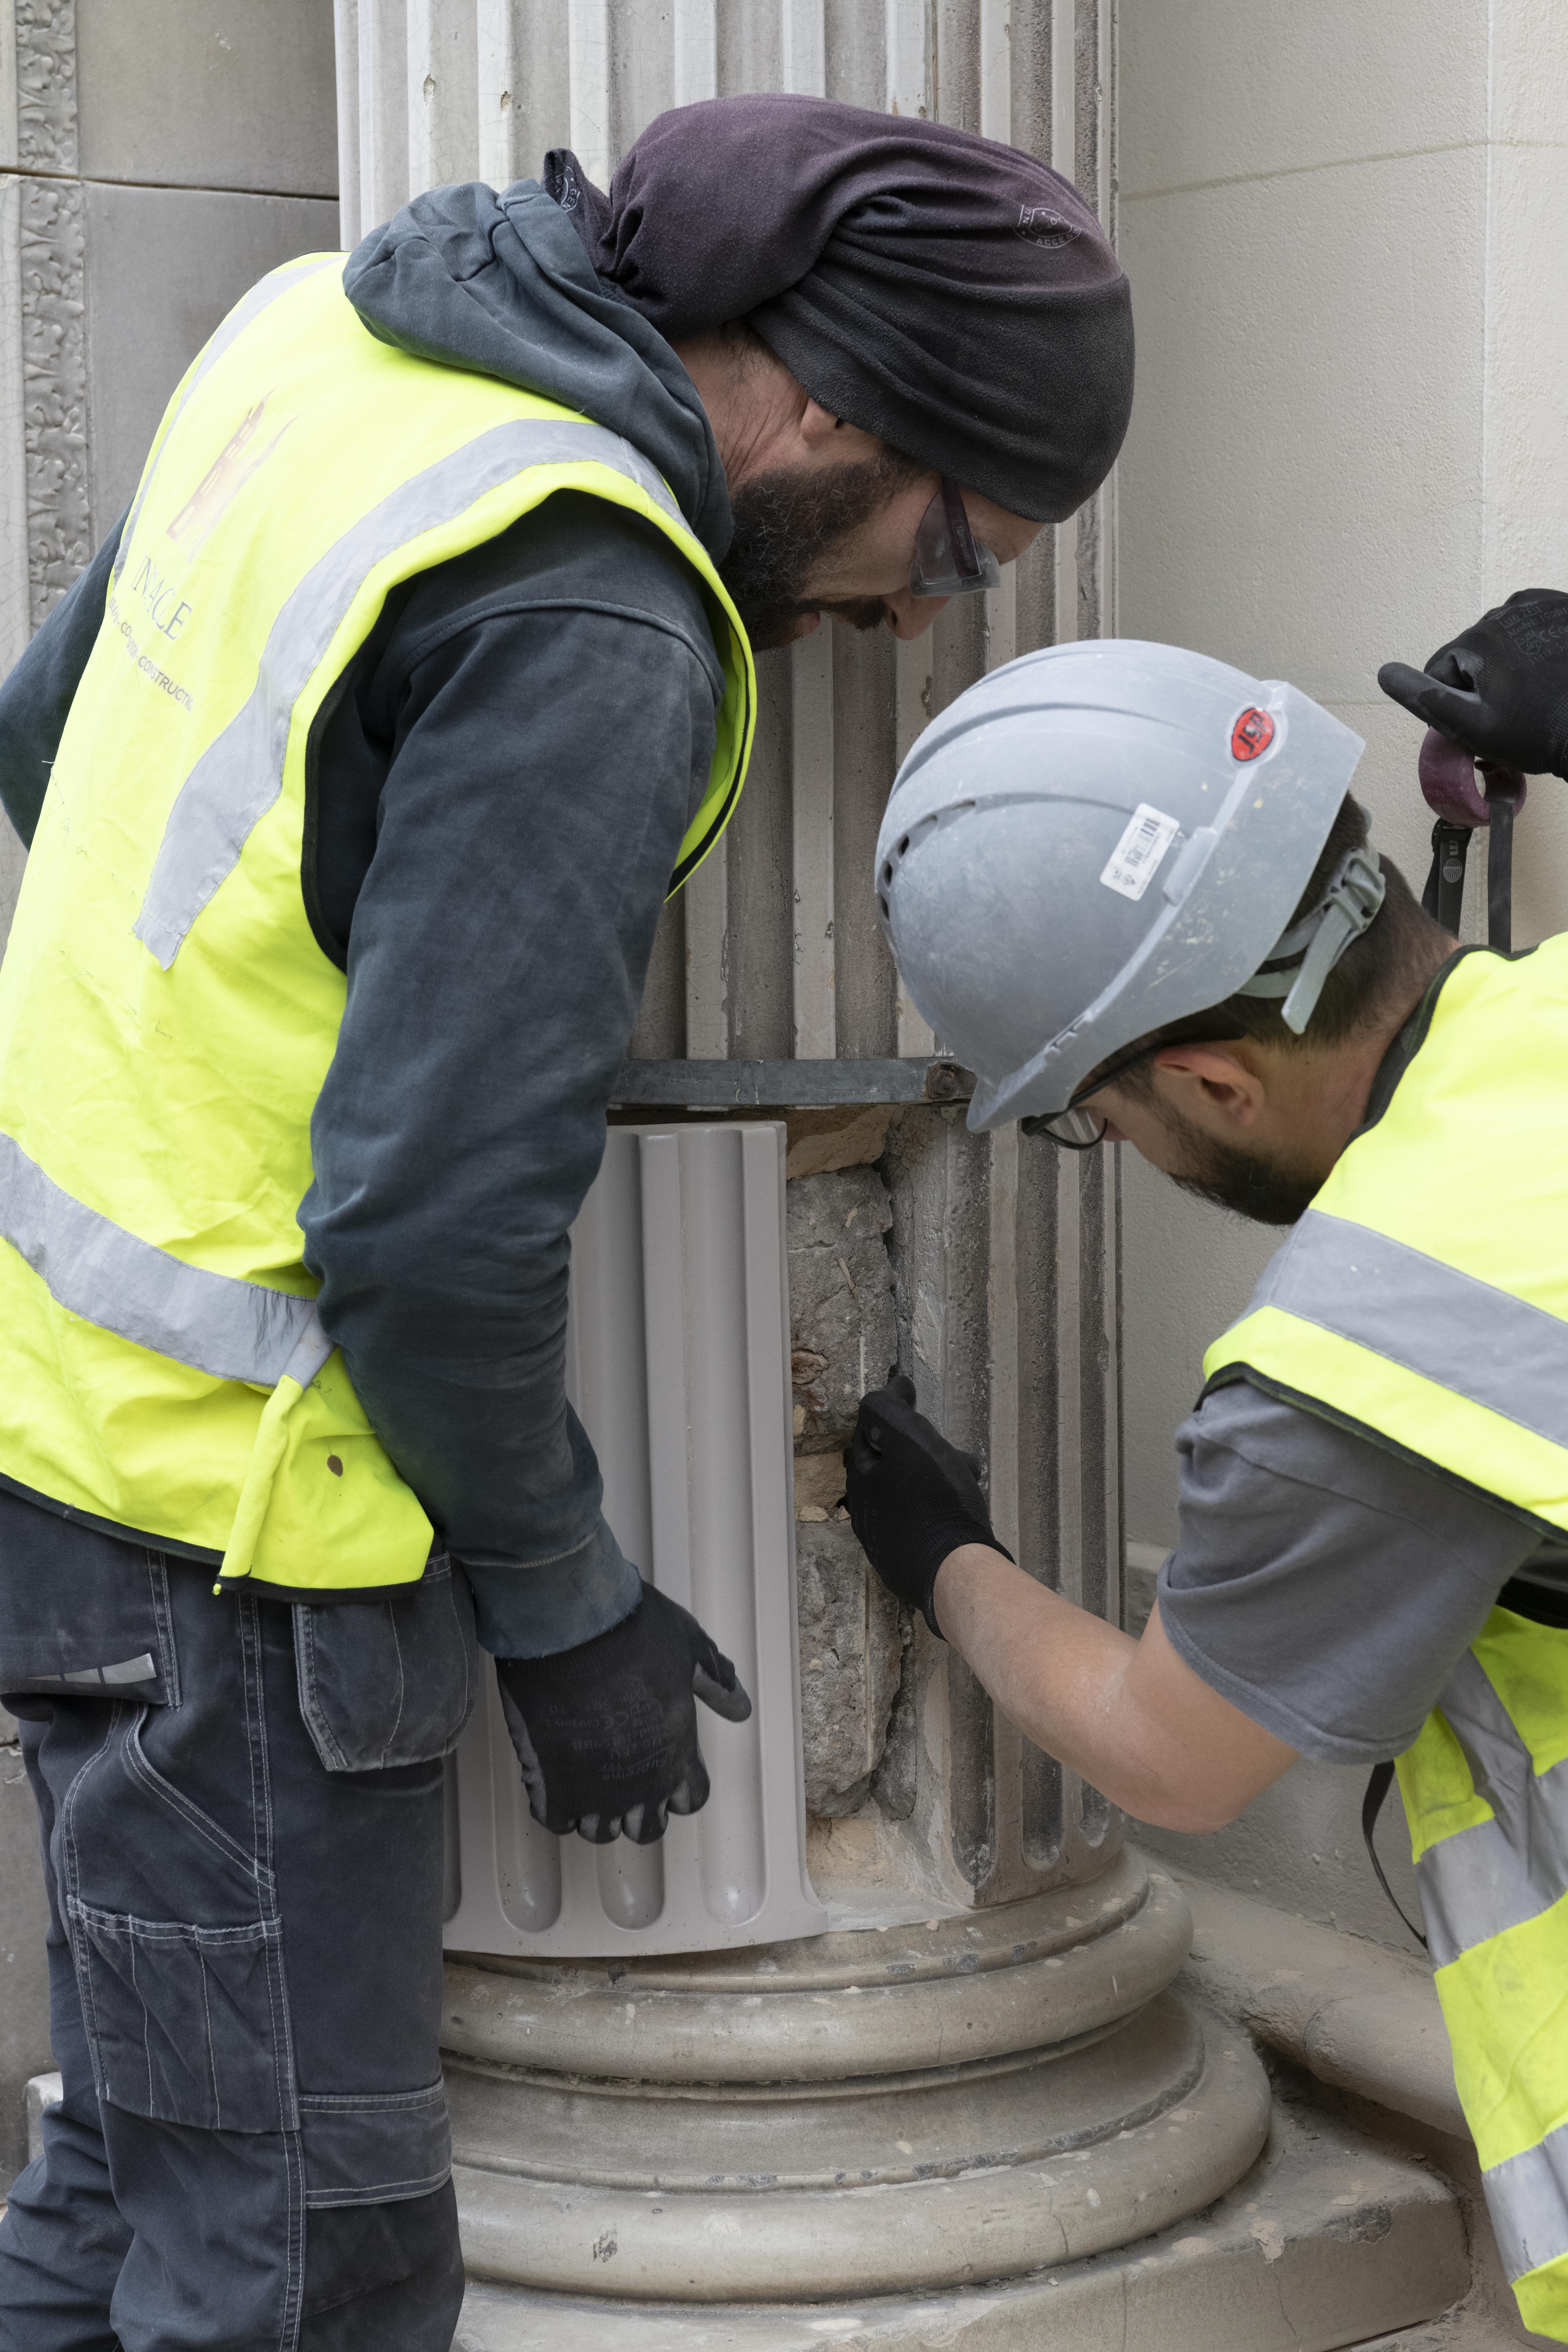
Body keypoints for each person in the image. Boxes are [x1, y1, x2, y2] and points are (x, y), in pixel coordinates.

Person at [0, 91, 1133, 2352]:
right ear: (825, 400)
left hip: (71, 1438)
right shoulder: (594, 607)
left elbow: (49, 731)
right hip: (254, 1534)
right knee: (310, 2268)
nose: (923, 616)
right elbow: (422, 1227)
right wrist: (567, 1601)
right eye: (956, 545)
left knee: (138, 2168)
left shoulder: (315, 337)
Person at [850, 596, 1568, 2343]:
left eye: (1108, 1119)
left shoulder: (1363, 1353)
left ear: (1213, 1081)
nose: (1128, 1148)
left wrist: (942, 1551)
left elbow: (1175, 1759)